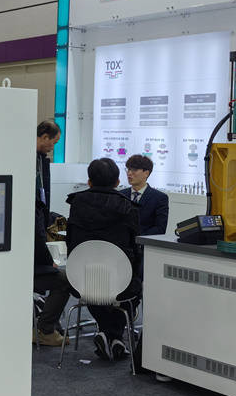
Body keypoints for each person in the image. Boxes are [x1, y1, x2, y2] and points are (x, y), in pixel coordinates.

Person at [65, 158, 140, 361]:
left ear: (89, 181)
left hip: (81, 279)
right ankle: (114, 335)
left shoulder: (76, 203)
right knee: (135, 288)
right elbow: (135, 248)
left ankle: (108, 334)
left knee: (94, 286)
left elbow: (71, 241)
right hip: (121, 280)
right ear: (117, 182)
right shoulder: (128, 207)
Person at [32, 199, 71, 346]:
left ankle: (47, 325)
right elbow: (38, 240)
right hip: (27, 269)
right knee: (65, 281)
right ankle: (45, 330)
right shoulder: (32, 204)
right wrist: (49, 263)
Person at [120, 155, 169, 236]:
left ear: (146, 173)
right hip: (121, 241)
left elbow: (160, 228)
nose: (129, 173)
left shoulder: (159, 198)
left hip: (144, 242)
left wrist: (137, 238)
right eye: (128, 169)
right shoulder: (121, 195)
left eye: (134, 170)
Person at [35, 120, 61, 223]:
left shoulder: (41, 160)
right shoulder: (28, 160)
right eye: (54, 143)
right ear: (45, 137)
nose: (53, 147)